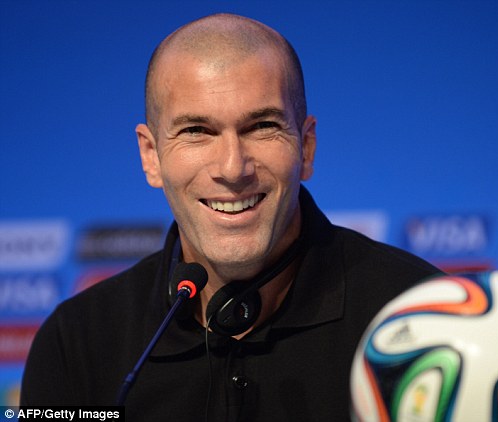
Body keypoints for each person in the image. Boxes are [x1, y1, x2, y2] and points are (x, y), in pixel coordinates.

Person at [21, 13, 441, 421]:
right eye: (196, 131)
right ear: (151, 156)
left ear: (307, 147)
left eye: (261, 126)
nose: (232, 167)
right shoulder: (75, 343)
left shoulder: (420, 317)